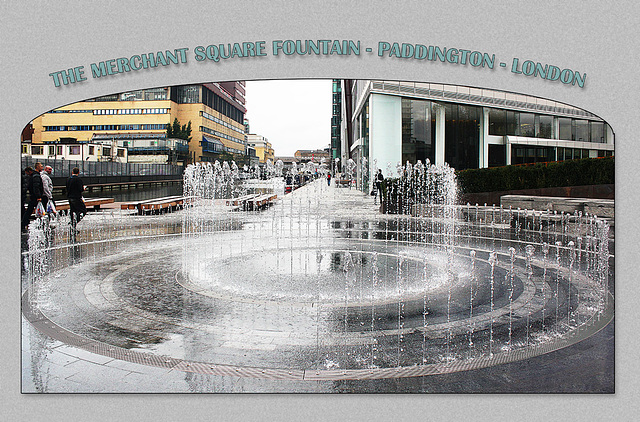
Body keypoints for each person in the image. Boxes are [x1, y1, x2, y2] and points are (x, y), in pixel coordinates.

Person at [21, 166, 44, 230]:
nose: (27, 174)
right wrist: (38, 196)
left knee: (30, 210)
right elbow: (36, 187)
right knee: (36, 210)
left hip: (33, 196)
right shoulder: (35, 176)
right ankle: (41, 223)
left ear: (29, 171)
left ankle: (24, 223)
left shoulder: (33, 176)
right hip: (35, 197)